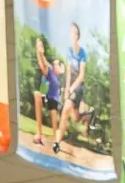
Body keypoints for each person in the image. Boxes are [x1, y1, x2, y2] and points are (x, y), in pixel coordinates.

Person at [54, 21, 96, 156]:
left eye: (73, 32)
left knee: (66, 110)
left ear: (77, 35)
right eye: (70, 32)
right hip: (71, 84)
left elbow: (82, 76)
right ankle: (88, 114)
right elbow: (68, 71)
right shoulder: (69, 51)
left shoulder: (82, 53)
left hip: (78, 86)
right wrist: (66, 88)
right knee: (75, 117)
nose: (71, 34)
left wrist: (71, 89)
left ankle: (56, 142)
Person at [33, 38, 63, 147]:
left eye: (57, 64)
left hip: (53, 101)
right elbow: (42, 62)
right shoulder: (50, 69)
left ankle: (56, 140)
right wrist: (39, 51)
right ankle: (39, 134)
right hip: (45, 97)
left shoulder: (58, 77)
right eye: (54, 64)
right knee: (37, 94)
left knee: (54, 112)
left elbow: (47, 63)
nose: (54, 65)